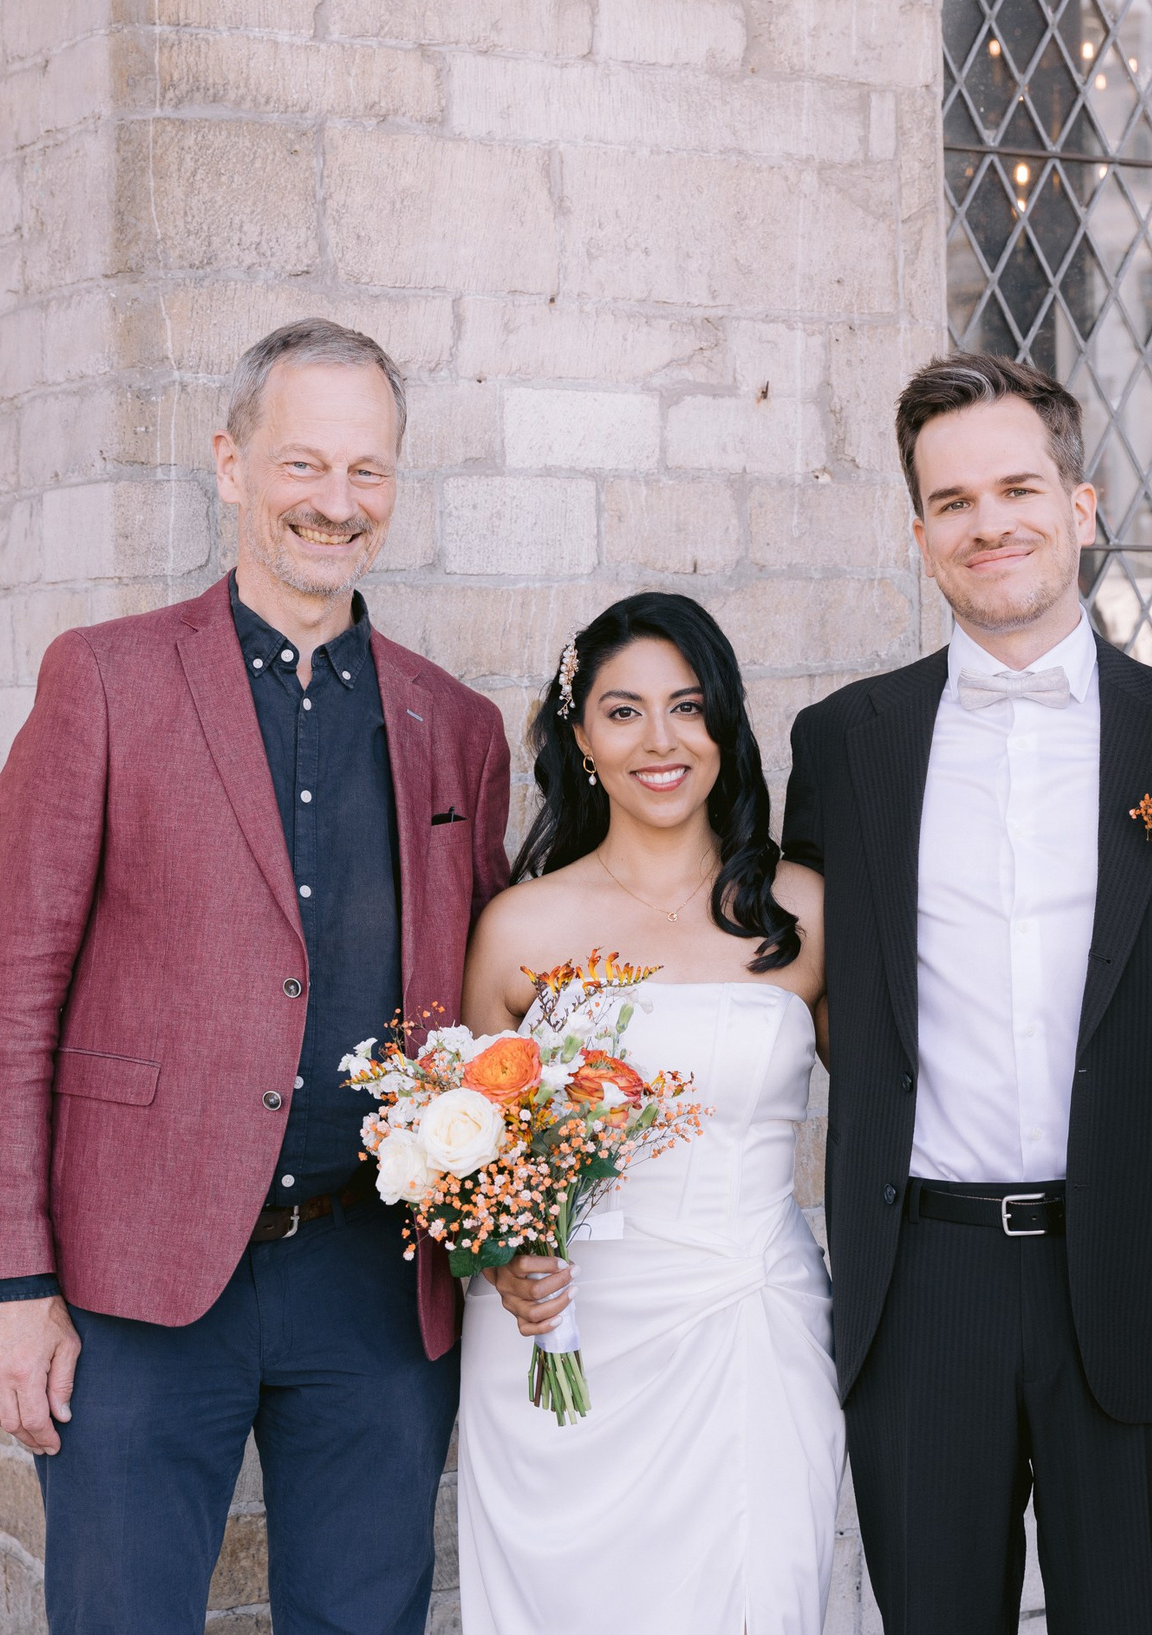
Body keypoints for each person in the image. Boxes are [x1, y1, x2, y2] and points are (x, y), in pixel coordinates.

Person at [0, 320, 512, 1634]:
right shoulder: (104, 678)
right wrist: (11, 1285)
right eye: (303, 462)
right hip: (136, 1277)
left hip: (375, 1278)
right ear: (230, 463)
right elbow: (16, 988)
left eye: (367, 470)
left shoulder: (457, 725)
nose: (335, 501)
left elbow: (484, 1001)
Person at [780, 353, 1152, 1635]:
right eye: (952, 502)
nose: (987, 523)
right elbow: (815, 988)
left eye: (1016, 489)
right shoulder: (843, 744)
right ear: (919, 535)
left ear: (1080, 505)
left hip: (1133, 1274)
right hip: (922, 1283)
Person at [465, 592, 842, 1633]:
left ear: (725, 722)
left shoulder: (804, 912)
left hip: (746, 1327)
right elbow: (474, 1164)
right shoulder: (518, 928)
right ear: (580, 737)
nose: (660, 741)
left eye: (687, 706)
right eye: (623, 711)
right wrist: (504, 1262)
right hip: (563, 1335)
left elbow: (896, 1115)